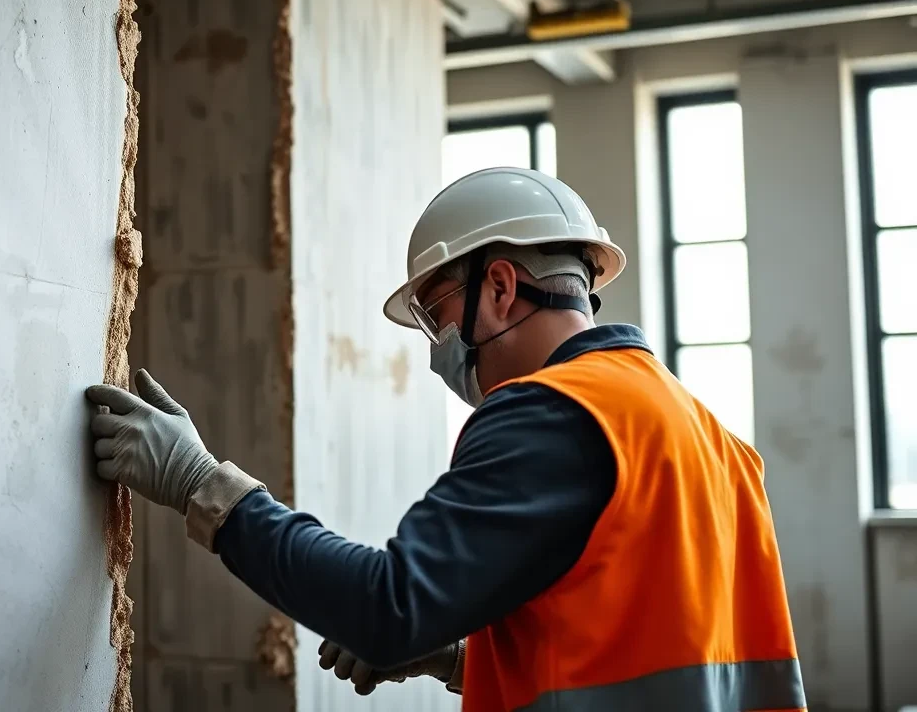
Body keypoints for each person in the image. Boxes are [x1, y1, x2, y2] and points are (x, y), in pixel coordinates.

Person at [85, 167, 805, 710]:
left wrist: (199, 483)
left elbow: (386, 604)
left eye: (437, 316)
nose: (439, 347)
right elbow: (638, 652)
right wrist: (458, 657)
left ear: (499, 286)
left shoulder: (549, 413)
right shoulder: (714, 440)